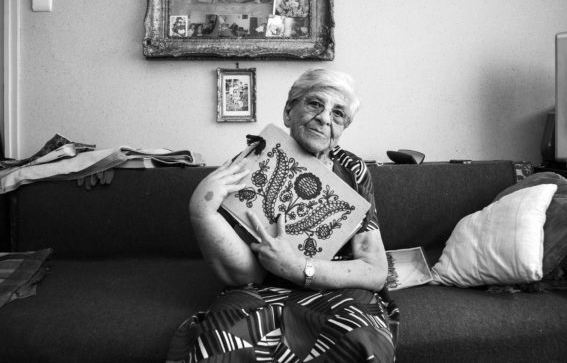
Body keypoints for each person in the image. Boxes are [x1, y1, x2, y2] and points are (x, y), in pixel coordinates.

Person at [167, 68, 398, 362]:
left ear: (342, 129)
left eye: (338, 114)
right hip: (261, 291)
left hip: (337, 289)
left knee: (362, 341)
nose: (326, 118)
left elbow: (375, 271)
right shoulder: (250, 162)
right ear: (289, 112)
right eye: (315, 104)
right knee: (219, 346)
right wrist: (201, 208)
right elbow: (245, 274)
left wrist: (299, 266)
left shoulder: (352, 171)